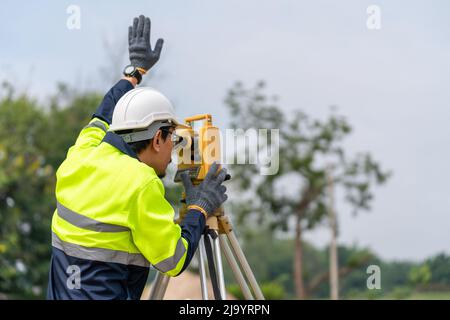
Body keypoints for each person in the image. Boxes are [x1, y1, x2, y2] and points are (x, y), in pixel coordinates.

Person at [46, 15, 228, 300]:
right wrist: (199, 209)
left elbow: (102, 115)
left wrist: (133, 73)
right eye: (173, 139)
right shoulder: (141, 184)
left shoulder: (82, 153)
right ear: (157, 139)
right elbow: (174, 259)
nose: (173, 152)